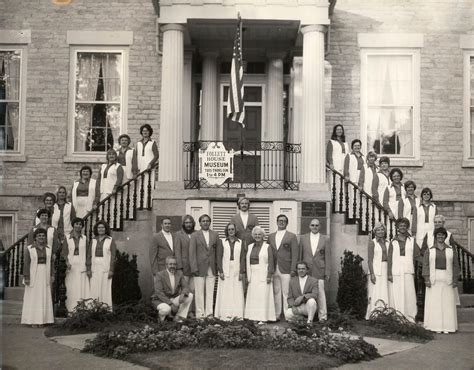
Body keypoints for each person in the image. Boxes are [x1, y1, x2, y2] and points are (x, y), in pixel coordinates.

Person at [423, 227, 460, 333]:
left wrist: (455, 280)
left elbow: (456, 265)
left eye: (442, 235)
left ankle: (448, 327)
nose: (440, 236)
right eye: (438, 235)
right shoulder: (429, 250)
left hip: (447, 278)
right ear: (435, 236)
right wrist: (426, 279)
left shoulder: (451, 250)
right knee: (434, 303)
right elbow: (425, 265)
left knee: (447, 303)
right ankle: (435, 327)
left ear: (445, 236)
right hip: (433, 278)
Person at [388, 218, 421, 322]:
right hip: (396, 270)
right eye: (400, 225)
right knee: (397, 293)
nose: (402, 227)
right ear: (397, 227)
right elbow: (389, 259)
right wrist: (389, 273)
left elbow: (417, 255)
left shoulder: (412, 241)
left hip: (408, 269)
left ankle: (410, 316)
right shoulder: (392, 242)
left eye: (404, 225)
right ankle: (398, 316)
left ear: (407, 227)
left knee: (409, 293)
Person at [21, 228, 54, 326]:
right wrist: (26, 277)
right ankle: (32, 321)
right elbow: (26, 263)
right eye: (39, 235)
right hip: (33, 275)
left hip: (45, 274)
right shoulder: (30, 248)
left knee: (44, 296)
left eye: (43, 236)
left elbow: (51, 262)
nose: (41, 237)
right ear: (35, 237)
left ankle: (43, 320)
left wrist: (52, 274)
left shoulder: (49, 248)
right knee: (33, 297)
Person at [189, 214, 220, 318]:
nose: (205, 222)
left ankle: (209, 314)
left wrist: (217, 267)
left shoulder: (215, 234)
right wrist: (194, 268)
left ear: (210, 222)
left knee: (210, 292)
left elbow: (217, 252)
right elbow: (192, 253)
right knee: (199, 292)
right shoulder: (195, 235)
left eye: (207, 221)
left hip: (211, 267)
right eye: (203, 221)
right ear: (200, 223)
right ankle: (200, 314)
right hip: (199, 267)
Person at [299, 218, 330, 321]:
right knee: (305, 293)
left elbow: (328, 256)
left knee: (321, 293)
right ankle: (306, 315)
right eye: (312, 225)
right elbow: (300, 256)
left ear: (319, 226)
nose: (314, 227)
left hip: (319, 270)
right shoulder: (303, 238)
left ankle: (323, 317)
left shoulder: (325, 239)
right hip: (306, 270)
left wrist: (327, 272)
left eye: (316, 225)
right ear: (309, 226)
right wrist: (299, 270)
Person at [244, 226, 276, 322]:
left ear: (263, 236)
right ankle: (253, 317)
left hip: (263, 273)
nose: (257, 236)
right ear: (253, 236)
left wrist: (269, 275)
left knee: (263, 296)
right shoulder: (250, 246)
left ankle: (263, 318)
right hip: (253, 273)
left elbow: (271, 261)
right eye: (256, 234)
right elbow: (247, 261)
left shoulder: (268, 247)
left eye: (259, 234)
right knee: (254, 296)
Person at [215, 223, 245, 320]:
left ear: (235, 230)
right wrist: (221, 271)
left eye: (232, 229)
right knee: (225, 291)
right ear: (227, 231)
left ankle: (237, 315)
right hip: (225, 269)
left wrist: (241, 272)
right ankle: (224, 315)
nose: (231, 231)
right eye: (229, 229)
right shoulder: (222, 241)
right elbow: (218, 257)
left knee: (236, 291)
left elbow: (243, 258)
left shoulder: (240, 242)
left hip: (236, 269)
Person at [151, 256, 193, 323]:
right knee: (166, 309)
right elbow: (159, 292)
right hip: (160, 300)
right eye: (170, 264)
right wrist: (170, 304)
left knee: (189, 296)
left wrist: (183, 293)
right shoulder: (160, 275)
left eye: (174, 264)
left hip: (173, 298)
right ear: (166, 265)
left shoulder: (179, 274)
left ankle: (179, 317)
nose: (172, 266)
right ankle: (161, 319)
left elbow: (186, 286)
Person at [62, 218, 89, 312]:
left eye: (80, 224)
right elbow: (64, 252)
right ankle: (71, 309)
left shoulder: (85, 238)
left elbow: (87, 253)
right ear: (73, 225)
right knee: (71, 287)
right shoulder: (67, 237)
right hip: (71, 265)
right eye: (76, 224)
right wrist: (67, 262)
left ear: (82, 226)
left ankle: (81, 309)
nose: (78, 226)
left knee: (81, 287)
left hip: (82, 265)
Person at [366, 223, 391, 319]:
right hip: (376, 270)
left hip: (385, 269)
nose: (381, 232)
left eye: (382, 230)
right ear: (375, 232)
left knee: (384, 291)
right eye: (378, 230)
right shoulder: (372, 243)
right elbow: (370, 259)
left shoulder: (388, 242)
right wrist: (372, 273)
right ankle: (373, 314)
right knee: (375, 292)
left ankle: (384, 313)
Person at [89, 220, 116, 308]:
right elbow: (89, 255)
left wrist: (111, 270)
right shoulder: (93, 240)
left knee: (105, 289)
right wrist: (88, 269)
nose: (101, 229)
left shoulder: (110, 240)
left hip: (105, 268)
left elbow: (113, 256)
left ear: (106, 229)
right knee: (94, 289)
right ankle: (94, 309)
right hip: (94, 268)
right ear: (96, 229)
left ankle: (105, 309)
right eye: (99, 227)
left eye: (103, 227)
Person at [174, 214, 196, 318]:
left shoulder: (197, 234)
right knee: (184, 291)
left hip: (195, 267)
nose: (188, 224)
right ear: (183, 224)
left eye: (190, 222)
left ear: (193, 224)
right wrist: (179, 268)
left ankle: (191, 312)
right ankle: (181, 313)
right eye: (186, 222)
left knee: (193, 290)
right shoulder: (178, 235)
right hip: (184, 267)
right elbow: (177, 252)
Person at [96, 149, 124, 228]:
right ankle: (103, 226)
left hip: (112, 191)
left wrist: (115, 188)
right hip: (103, 190)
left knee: (113, 209)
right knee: (102, 209)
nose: (111, 156)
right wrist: (98, 190)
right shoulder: (103, 166)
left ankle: (114, 226)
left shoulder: (118, 166)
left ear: (116, 156)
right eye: (109, 154)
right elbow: (99, 179)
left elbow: (119, 178)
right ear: (107, 156)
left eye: (113, 154)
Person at [133, 124, 159, 209]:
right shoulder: (138, 143)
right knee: (140, 186)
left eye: (147, 131)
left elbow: (156, 155)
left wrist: (150, 164)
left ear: (149, 132)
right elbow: (135, 156)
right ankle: (140, 205)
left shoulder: (152, 142)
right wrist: (135, 168)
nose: (145, 133)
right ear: (141, 132)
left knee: (148, 185)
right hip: (140, 167)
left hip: (149, 168)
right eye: (143, 131)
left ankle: (148, 204)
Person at [344, 139, 365, 219]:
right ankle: (353, 216)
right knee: (353, 197)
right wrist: (346, 175)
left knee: (361, 198)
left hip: (361, 178)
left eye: (358, 145)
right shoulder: (349, 155)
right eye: (355, 145)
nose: (357, 147)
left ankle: (360, 216)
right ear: (352, 147)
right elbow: (346, 167)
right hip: (353, 178)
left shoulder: (363, 157)